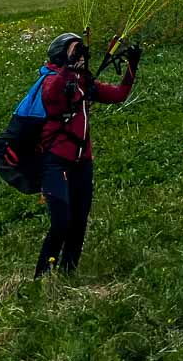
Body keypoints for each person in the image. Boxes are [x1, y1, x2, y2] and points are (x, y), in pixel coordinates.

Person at [32, 32, 140, 278]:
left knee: (79, 221)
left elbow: (119, 94)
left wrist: (132, 66)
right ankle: (41, 278)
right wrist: (69, 67)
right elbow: (52, 95)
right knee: (61, 222)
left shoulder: (84, 83)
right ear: (62, 55)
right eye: (75, 50)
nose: (81, 55)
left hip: (82, 163)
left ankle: (67, 273)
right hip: (55, 162)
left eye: (81, 51)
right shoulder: (51, 80)